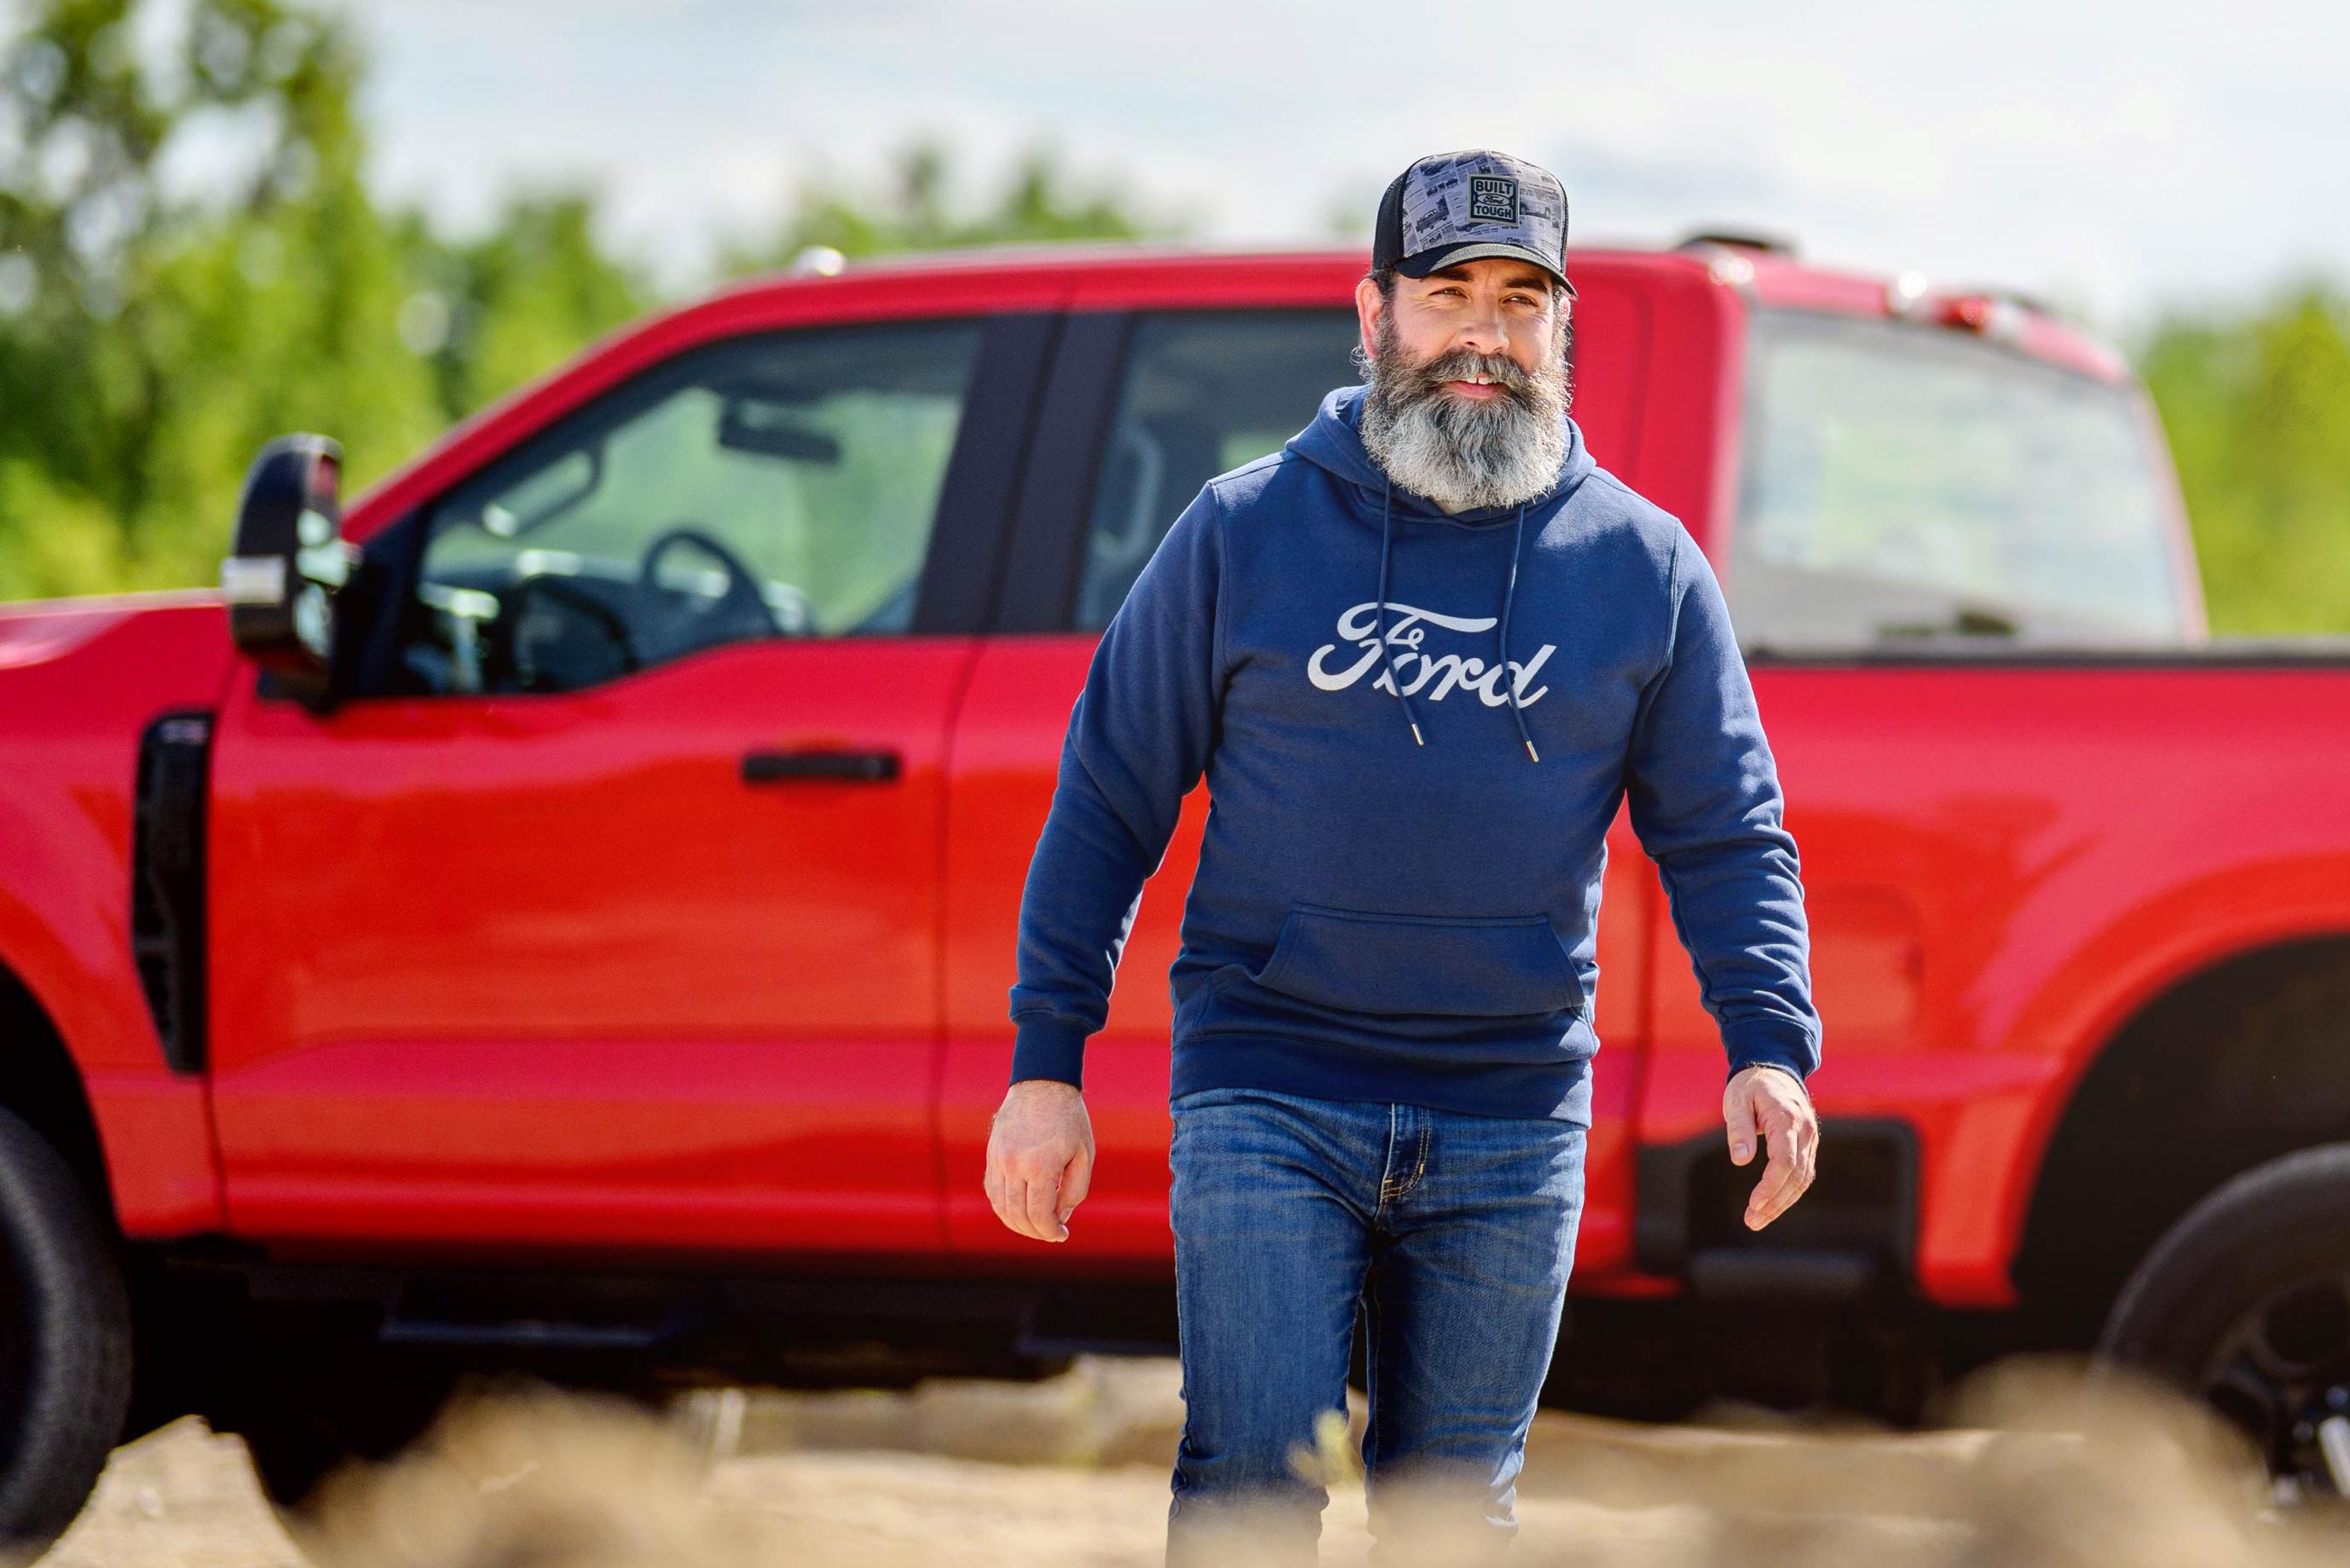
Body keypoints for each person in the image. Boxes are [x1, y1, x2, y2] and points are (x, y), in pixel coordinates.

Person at [983, 148, 1822, 1564]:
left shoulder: (1644, 568)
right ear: (1372, 314)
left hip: (1511, 1111)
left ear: (1559, 328)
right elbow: (1108, 799)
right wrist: (1044, 1065)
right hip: (1269, 1088)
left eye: (1519, 300)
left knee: (1452, 1516)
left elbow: (1727, 833)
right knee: (1248, 1484)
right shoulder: (1240, 532)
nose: (1483, 335)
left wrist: (1769, 1042)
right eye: (1447, 296)